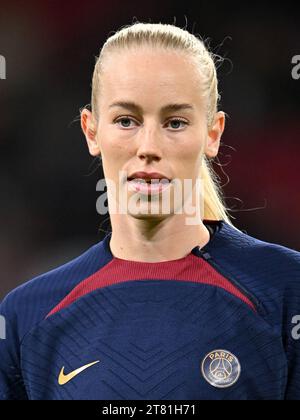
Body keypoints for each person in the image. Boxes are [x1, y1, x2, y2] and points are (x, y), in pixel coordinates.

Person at [0, 22, 299, 400]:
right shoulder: (27, 314)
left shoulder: (287, 291)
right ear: (91, 131)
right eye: (126, 120)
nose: (149, 146)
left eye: (175, 122)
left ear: (213, 134)